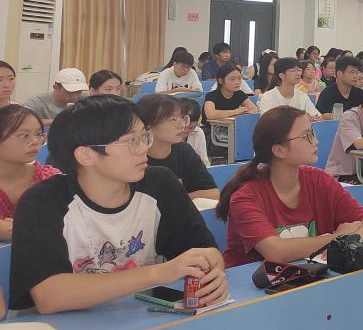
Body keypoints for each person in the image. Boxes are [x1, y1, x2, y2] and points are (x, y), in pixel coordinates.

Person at [9, 95, 226, 313]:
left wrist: (212, 271)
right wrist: (158, 273)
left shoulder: (160, 185)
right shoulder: (43, 202)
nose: (143, 148)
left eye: (144, 137)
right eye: (131, 141)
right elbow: (50, 296)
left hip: (138, 319)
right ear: (86, 155)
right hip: (64, 328)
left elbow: (205, 251)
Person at [216, 107, 363, 267]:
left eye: (312, 133)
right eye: (306, 136)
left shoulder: (320, 180)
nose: (315, 141)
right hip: (250, 280)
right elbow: (276, 252)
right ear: (279, 150)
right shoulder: (245, 197)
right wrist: (338, 238)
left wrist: (350, 240)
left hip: (313, 276)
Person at [137, 95, 218, 201]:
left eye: (182, 118)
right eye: (173, 120)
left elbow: (213, 194)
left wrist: (174, 201)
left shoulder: (184, 151)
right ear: (148, 126)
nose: (182, 125)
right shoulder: (135, 158)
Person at [0, 105, 61, 240]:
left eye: (38, 135)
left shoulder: (49, 178)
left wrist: (17, 229)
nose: (35, 142)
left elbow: (67, 223)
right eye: (24, 135)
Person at [23, 68, 88, 125]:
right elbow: (21, 119)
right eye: (70, 92)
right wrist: (57, 121)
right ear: (56, 87)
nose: (75, 96)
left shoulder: (85, 97)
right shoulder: (38, 101)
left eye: (79, 91)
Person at [177, 97, 209, 166]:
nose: (185, 131)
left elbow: (204, 162)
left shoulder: (198, 133)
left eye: (191, 128)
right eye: (183, 127)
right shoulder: (167, 135)